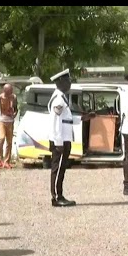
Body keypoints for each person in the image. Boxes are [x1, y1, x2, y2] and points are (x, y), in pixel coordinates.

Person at [48, 69, 77, 207]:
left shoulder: (62, 97)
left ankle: (59, 194)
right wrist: (58, 142)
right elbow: (55, 122)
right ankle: (56, 197)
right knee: (58, 168)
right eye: (67, 81)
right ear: (60, 82)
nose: (69, 83)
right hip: (60, 140)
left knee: (61, 168)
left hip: (65, 139)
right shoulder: (58, 99)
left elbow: (67, 119)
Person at [0, 84, 19, 169]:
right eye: (9, 91)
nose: (11, 93)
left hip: (10, 121)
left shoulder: (13, 97)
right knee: (2, 138)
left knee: (9, 142)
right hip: (1, 120)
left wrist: (14, 114)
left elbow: (15, 108)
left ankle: (7, 161)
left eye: (11, 91)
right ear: (5, 91)